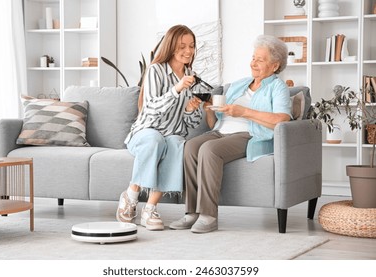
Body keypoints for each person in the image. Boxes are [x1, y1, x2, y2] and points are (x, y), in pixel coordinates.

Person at [170, 34, 292, 233]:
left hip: (250, 134)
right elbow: (215, 122)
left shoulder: (278, 88)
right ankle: (191, 212)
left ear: (275, 65)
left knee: (209, 150)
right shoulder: (239, 84)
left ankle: (208, 216)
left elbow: (282, 119)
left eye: (260, 60)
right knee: (190, 146)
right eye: (253, 58)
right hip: (221, 131)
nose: (253, 63)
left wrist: (243, 112)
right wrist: (208, 108)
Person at [116, 25, 203, 231]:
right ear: (171, 46)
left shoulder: (192, 75)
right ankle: (131, 195)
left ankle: (150, 209)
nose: (188, 51)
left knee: (176, 143)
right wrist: (177, 88)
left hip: (172, 133)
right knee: (155, 139)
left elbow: (192, 123)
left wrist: (191, 110)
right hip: (146, 132)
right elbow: (153, 107)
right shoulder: (156, 70)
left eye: (191, 46)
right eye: (182, 46)